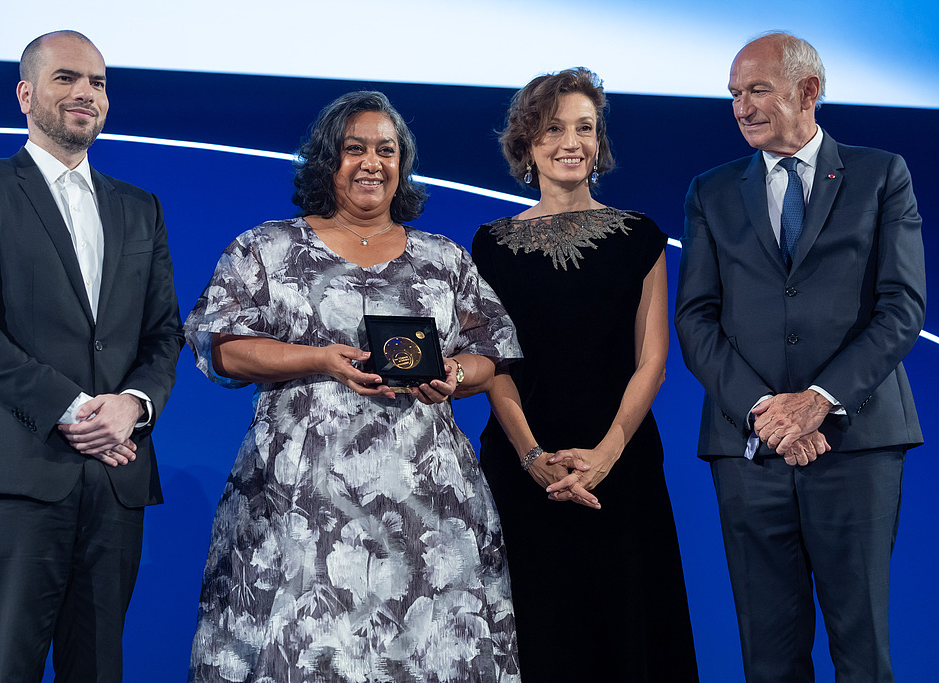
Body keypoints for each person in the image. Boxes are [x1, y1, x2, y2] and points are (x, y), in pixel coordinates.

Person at [184, 90, 522, 682]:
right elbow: (222, 348)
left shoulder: (443, 259)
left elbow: (492, 352)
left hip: (428, 509)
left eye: (386, 150)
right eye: (354, 149)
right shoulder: (267, 249)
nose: (372, 163)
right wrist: (320, 359)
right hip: (299, 502)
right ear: (325, 161)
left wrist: (454, 375)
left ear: (402, 165)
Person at [0, 30, 184, 682]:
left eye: (97, 83)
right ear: (26, 94)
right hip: (22, 468)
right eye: (66, 78)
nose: (84, 93)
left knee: (98, 668)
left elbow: (164, 334)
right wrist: (73, 409)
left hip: (117, 475)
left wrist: (132, 404)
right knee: (8, 665)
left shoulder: (141, 207)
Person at [675, 31, 925, 683]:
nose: (742, 107)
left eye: (757, 89)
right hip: (748, 448)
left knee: (862, 648)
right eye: (734, 94)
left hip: (856, 442)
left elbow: (902, 306)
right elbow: (696, 316)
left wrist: (817, 402)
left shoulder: (880, 175)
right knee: (768, 655)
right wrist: (767, 411)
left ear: (808, 90)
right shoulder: (710, 189)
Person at [472, 67, 699, 682]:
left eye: (585, 128)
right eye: (552, 129)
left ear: (599, 143)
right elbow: (494, 363)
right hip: (523, 468)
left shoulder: (640, 235)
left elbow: (652, 359)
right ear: (526, 144)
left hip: (621, 462)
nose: (570, 142)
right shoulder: (488, 245)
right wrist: (531, 455)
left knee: (631, 627)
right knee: (538, 627)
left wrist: (606, 452)